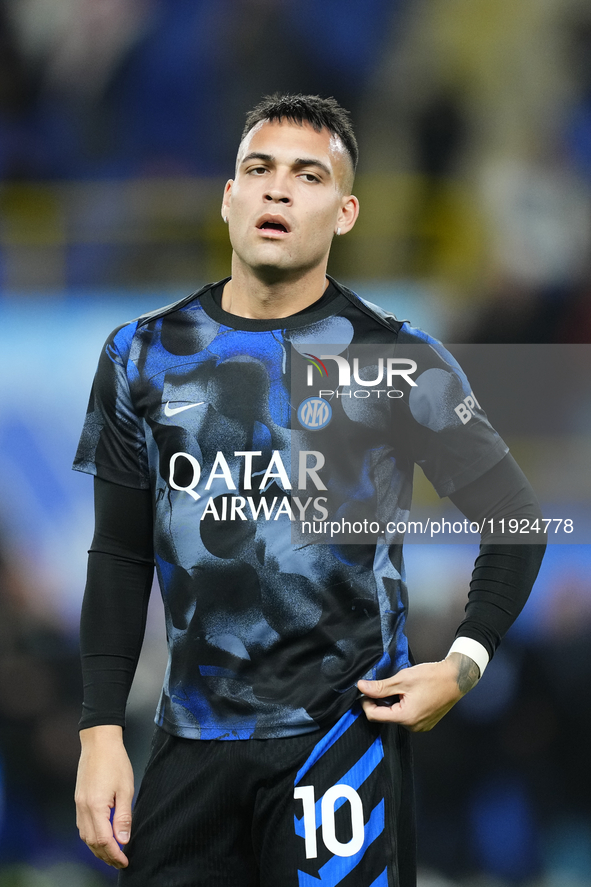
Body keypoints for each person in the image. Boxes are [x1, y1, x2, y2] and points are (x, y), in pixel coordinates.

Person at [73, 94, 545, 887]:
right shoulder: (139, 357)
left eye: (307, 174)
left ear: (346, 210)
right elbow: (119, 553)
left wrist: (462, 662)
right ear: (229, 197)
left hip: (339, 743)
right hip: (188, 748)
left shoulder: (401, 362)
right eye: (257, 170)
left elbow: (516, 522)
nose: (278, 190)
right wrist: (98, 734)